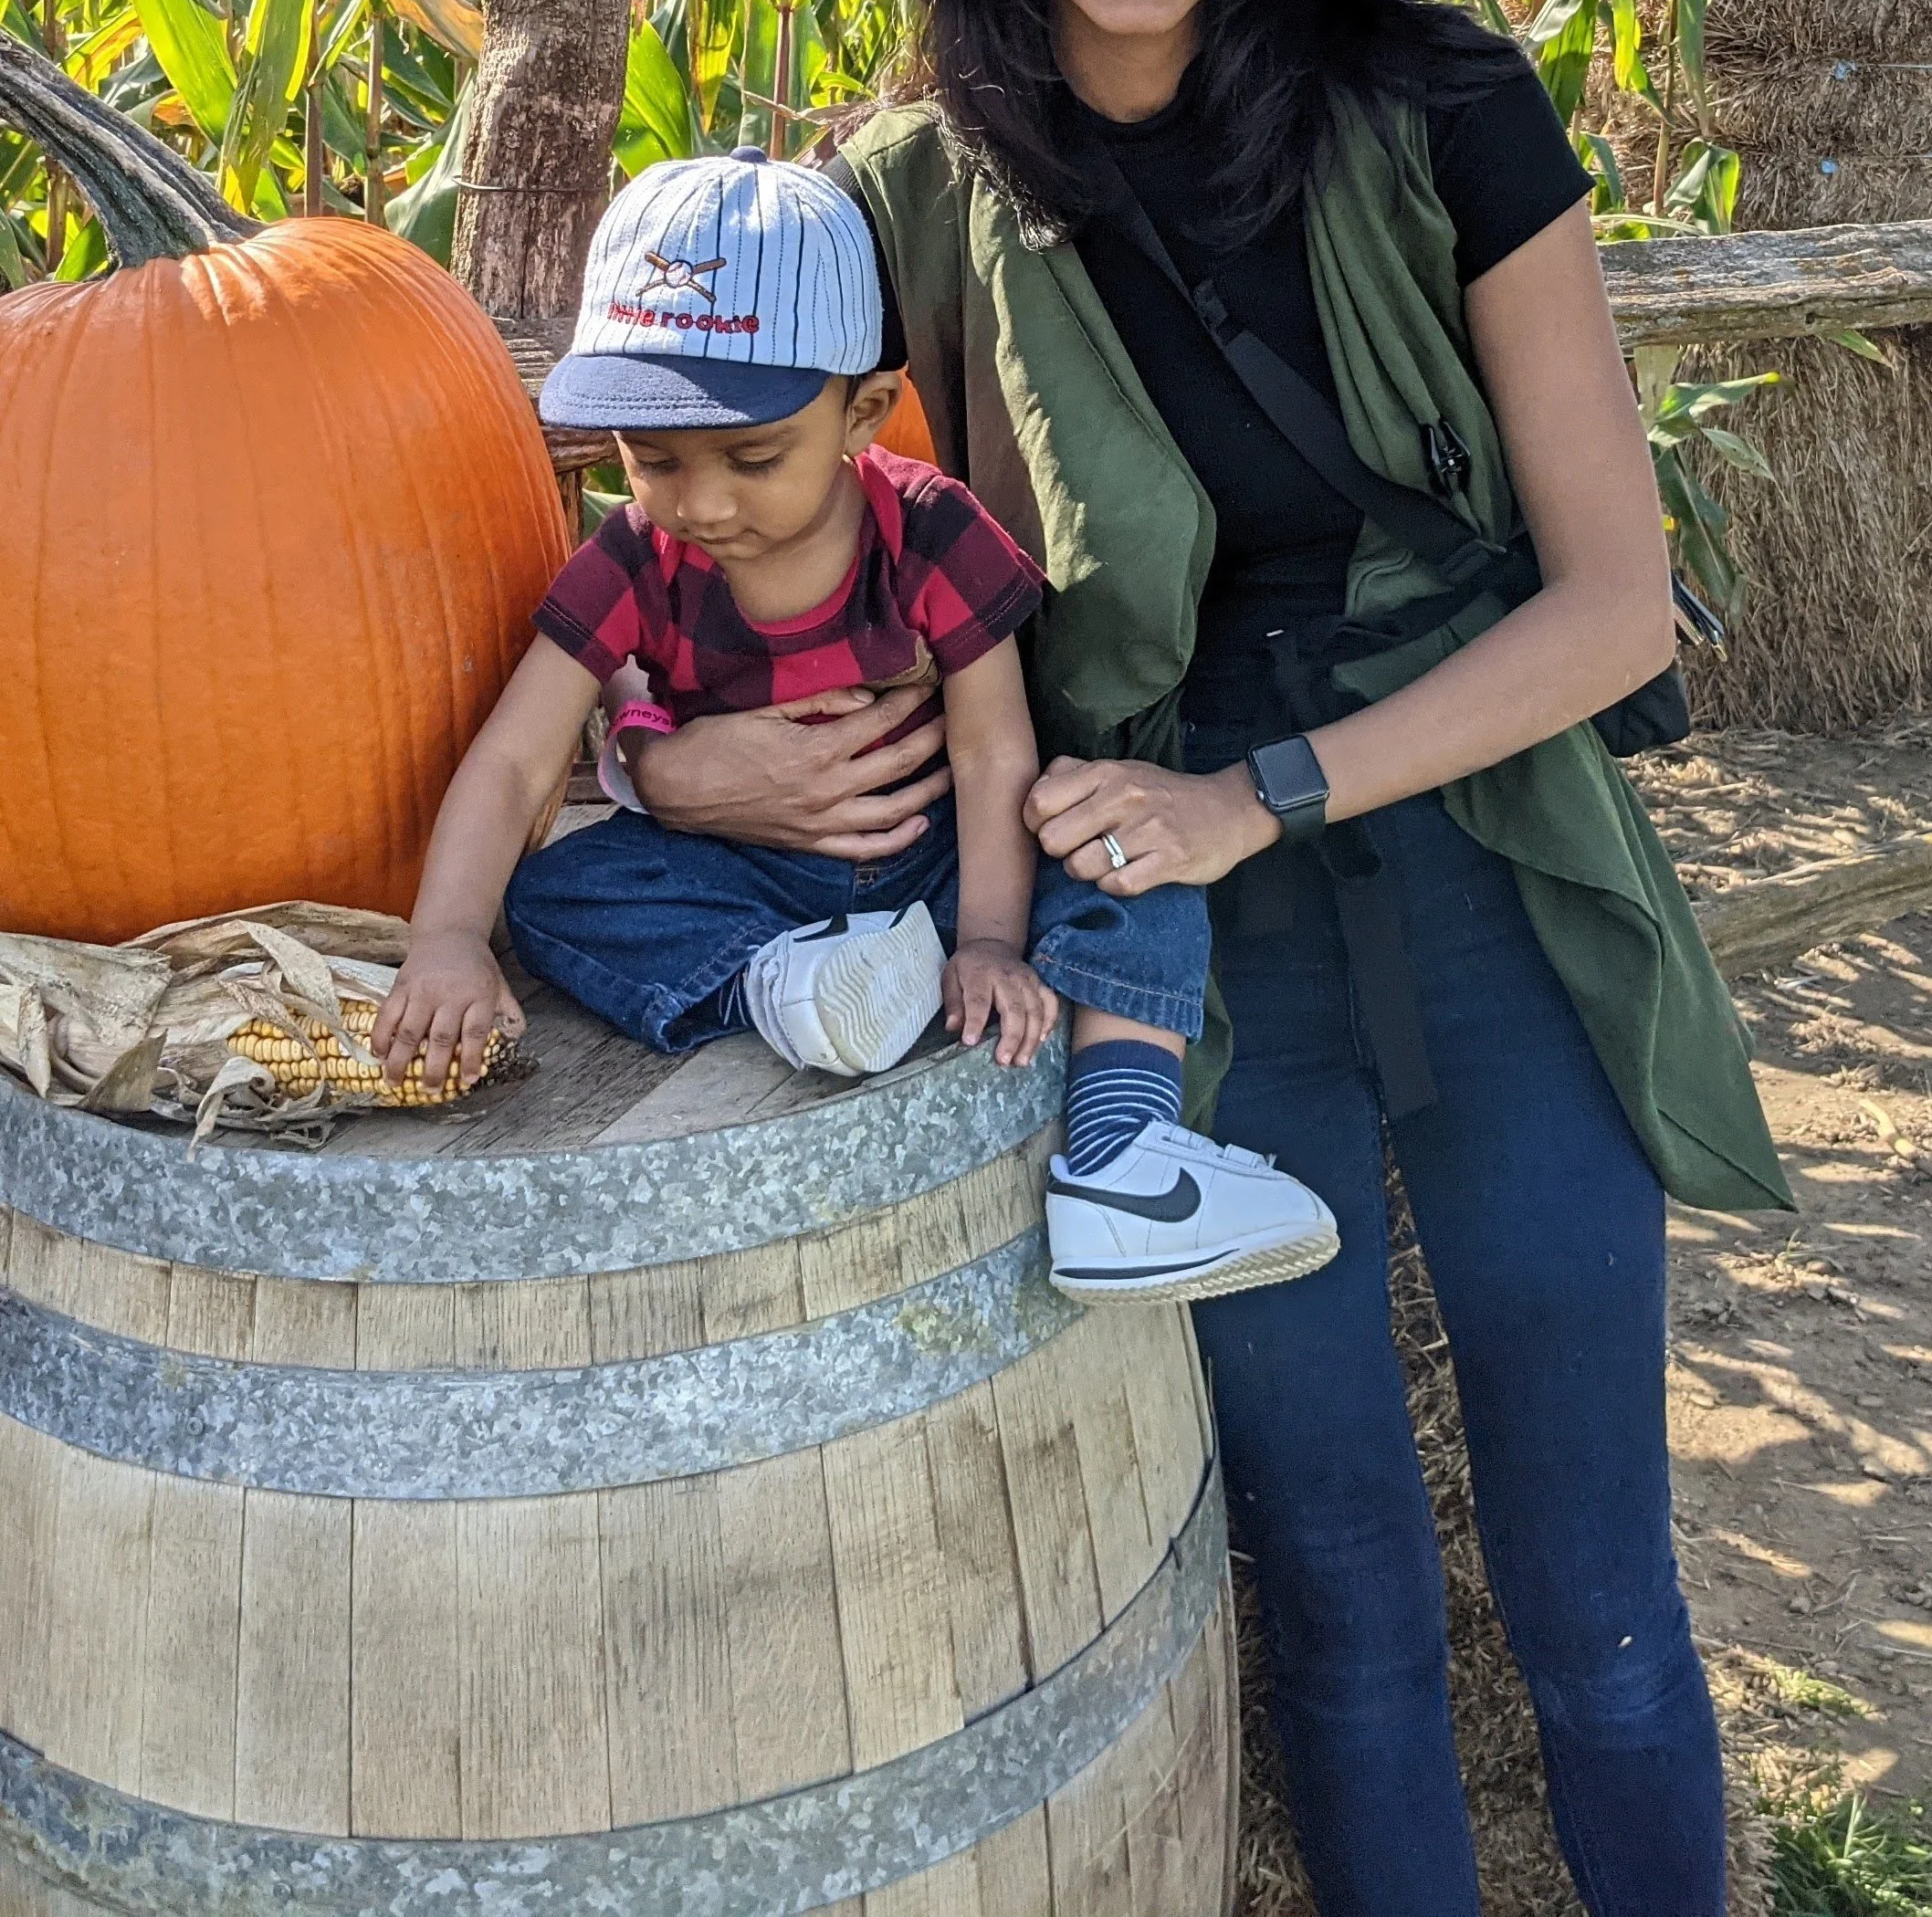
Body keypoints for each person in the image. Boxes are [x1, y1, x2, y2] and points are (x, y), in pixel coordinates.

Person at [621, 0, 1791, 1913]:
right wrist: (675, 770)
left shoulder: (1444, 106)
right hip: (1171, 974)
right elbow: (781, 592)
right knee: (1343, 1596)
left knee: (1600, 1613)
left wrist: (1259, 791)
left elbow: (1608, 603)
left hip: (1491, 878)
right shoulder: (895, 203)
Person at [371, 146, 1337, 1305]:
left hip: (935, 855)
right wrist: (446, 938)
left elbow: (991, 749)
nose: (703, 502)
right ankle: (782, 986)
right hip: (743, 877)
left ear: (861, 411)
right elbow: (518, 757)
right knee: (563, 896)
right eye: (653, 461)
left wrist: (985, 938)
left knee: (1127, 857)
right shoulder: (632, 555)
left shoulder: (928, 533)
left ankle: (1121, 1152)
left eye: (752, 455)